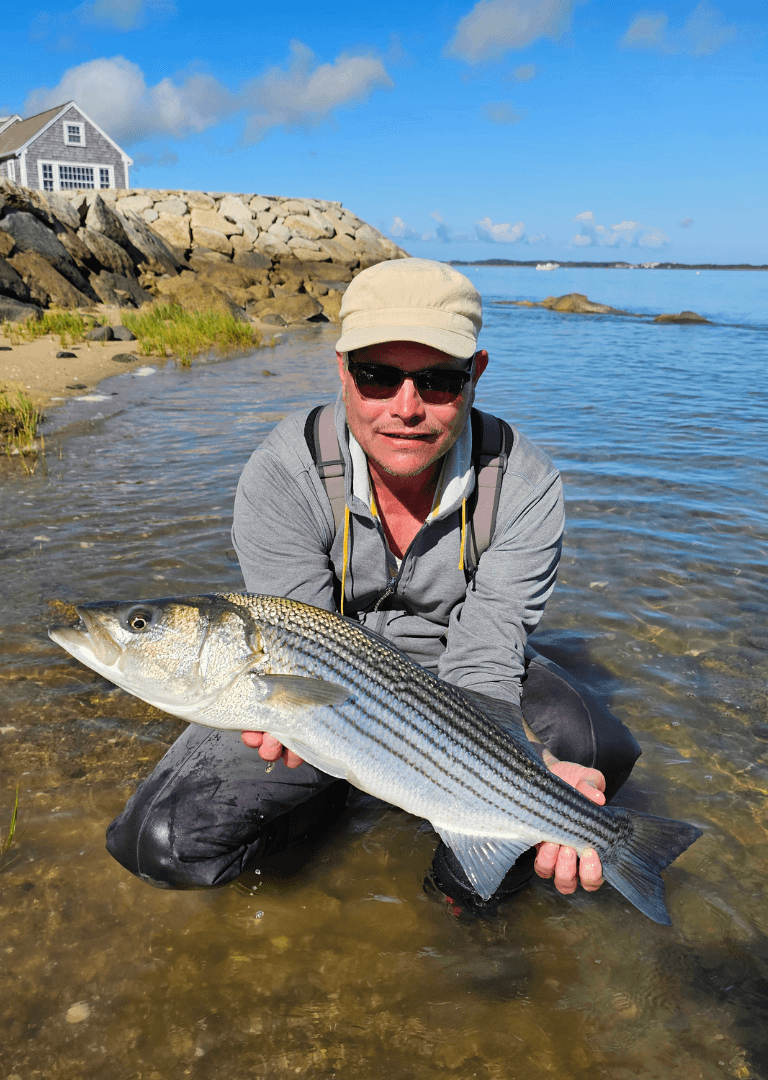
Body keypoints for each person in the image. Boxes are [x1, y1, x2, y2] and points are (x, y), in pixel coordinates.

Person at [106, 258, 641, 912]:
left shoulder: (528, 488)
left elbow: (485, 655)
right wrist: (346, 742)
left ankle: (459, 881)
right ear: (342, 371)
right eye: (377, 376)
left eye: (439, 380)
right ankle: (329, 813)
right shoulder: (282, 472)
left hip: (455, 681)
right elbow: (297, 642)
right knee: (158, 841)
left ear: (475, 375)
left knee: (594, 748)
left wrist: (520, 774)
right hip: (327, 682)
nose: (406, 408)